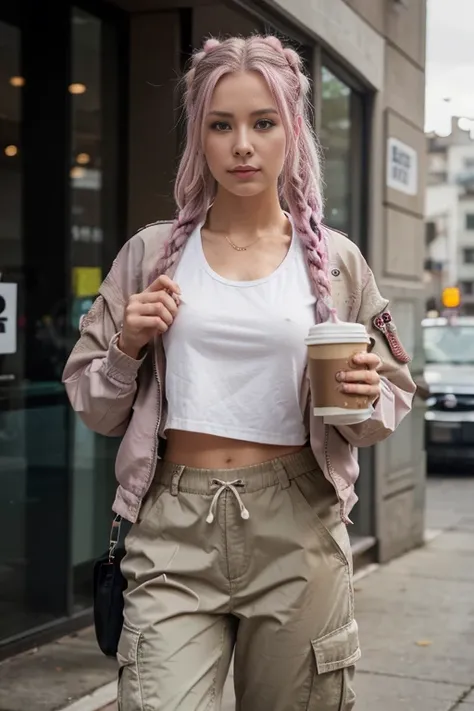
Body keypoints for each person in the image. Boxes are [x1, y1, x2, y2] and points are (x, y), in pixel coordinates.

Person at [63, 35, 415, 711]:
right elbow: (96, 405)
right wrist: (128, 346)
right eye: (221, 125)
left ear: (292, 132)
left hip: (299, 524)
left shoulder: (336, 263)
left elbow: (387, 399)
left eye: (263, 122)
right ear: (200, 137)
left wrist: (369, 397)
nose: (243, 145)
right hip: (172, 522)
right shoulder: (150, 254)